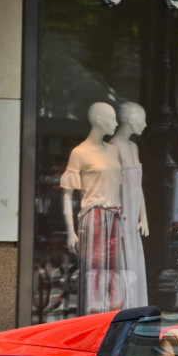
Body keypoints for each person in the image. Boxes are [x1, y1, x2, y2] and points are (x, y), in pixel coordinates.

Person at [61, 102, 125, 314]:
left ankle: (113, 318)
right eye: (112, 118)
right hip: (94, 216)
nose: (116, 123)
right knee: (95, 270)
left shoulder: (115, 151)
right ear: (98, 119)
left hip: (115, 216)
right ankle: (92, 318)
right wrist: (71, 231)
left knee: (114, 270)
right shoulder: (79, 153)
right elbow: (67, 193)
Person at [109, 102, 151, 308]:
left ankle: (135, 308)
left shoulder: (134, 147)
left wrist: (144, 217)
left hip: (133, 222)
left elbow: (138, 185)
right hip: (121, 220)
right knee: (122, 269)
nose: (144, 124)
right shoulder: (112, 148)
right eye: (141, 119)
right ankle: (123, 311)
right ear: (131, 121)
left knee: (134, 265)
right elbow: (111, 188)